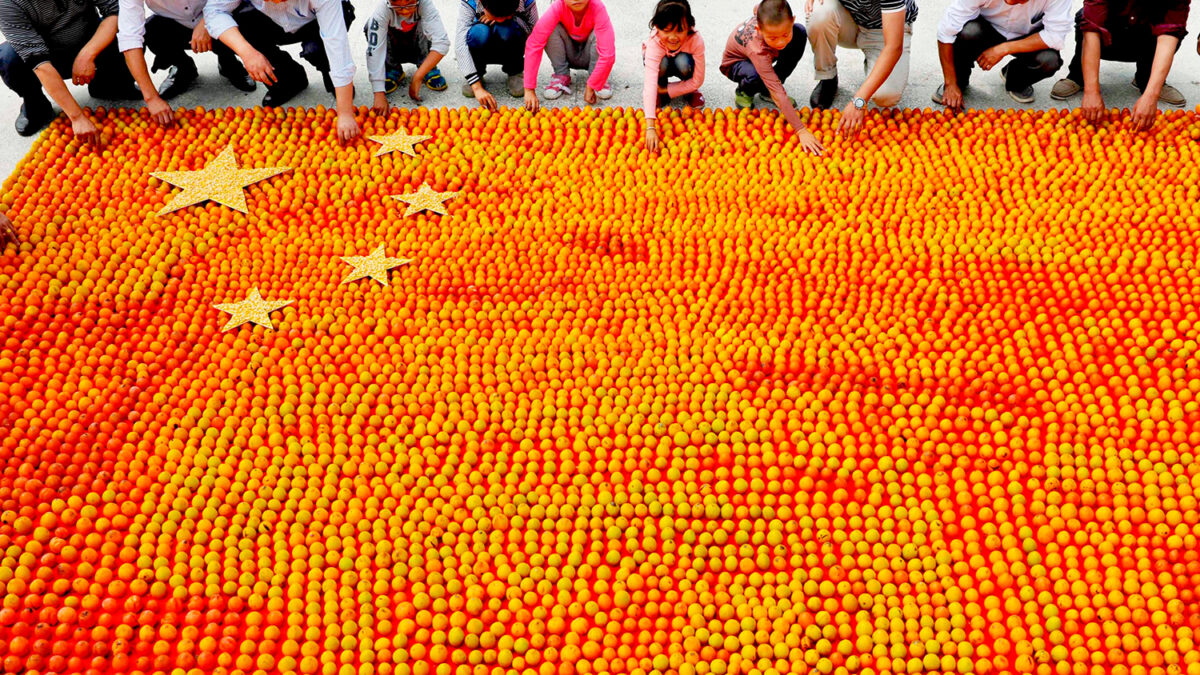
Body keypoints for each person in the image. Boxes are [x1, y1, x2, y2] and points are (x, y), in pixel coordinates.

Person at [204, 0, 359, 142]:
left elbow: (337, 46)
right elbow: (215, 11)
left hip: (315, 21)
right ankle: (289, 79)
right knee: (229, 31)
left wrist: (345, 113)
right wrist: (247, 53)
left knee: (316, 49)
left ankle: (329, 73)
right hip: (272, 21)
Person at [0, 0, 140, 139]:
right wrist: (77, 117)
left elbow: (115, 11)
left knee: (131, 28)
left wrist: (87, 54)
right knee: (8, 58)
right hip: (48, 58)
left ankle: (109, 85)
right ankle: (36, 105)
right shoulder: (8, 3)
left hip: (92, 42)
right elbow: (38, 62)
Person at [1050, 0, 1190, 130]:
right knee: (1085, 18)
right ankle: (1078, 75)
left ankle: (1147, 79)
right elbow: (1092, 29)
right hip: (1110, 34)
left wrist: (1151, 95)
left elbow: (1168, 37)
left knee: (1174, 30)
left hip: (1146, 35)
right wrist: (1091, 91)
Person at [119, 0, 256, 128]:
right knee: (153, 30)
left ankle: (228, 62)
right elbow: (129, 37)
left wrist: (208, 21)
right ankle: (184, 68)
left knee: (246, 19)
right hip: (176, 23)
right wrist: (151, 98)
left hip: (220, 12)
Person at [720, 0, 822, 155]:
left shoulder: (770, 22)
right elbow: (778, 91)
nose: (781, 42)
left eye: (785, 34)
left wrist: (779, 38)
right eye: (773, 38)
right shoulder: (758, 51)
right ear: (758, 29)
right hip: (737, 64)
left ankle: (766, 87)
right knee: (756, 75)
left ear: (792, 20)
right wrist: (801, 130)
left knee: (800, 32)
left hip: (764, 53)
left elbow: (759, 8)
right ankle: (744, 91)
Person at [805, 0, 918, 137]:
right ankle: (828, 77)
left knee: (886, 96)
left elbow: (893, 47)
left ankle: (875, 64)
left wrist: (859, 101)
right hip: (851, 20)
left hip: (885, 30)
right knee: (818, 15)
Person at [934, 0, 1071, 110]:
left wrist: (1003, 49)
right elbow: (946, 31)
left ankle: (1015, 78)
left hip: (1028, 36)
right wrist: (950, 83)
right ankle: (958, 81)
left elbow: (1055, 35)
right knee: (968, 32)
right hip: (986, 27)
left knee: (1048, 61)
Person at [522, 0, 615, 110]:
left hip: (590, 54)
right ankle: (561, 75)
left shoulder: (597, 7)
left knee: (600, 35)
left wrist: (593, 84)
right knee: (548, 29)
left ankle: (599, 77)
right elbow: (534, 43)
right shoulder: (557, 7)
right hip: (567, 52)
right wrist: (528, 89)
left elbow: (607, 53)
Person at [365, 0, 449, 115]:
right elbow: (374, 50)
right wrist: (378, 92)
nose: (405, 11)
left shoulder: (425, 4)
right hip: (395, 48)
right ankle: (392, 68)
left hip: (419, 46)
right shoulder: (383, 9)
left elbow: (442, 43)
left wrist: (418, 76)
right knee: (370, 25)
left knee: (429, 25)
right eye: (398, 7)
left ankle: (427, 67)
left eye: (410, 4)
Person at [642, 0, 704, 151]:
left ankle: (682, 92)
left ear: (689, 27)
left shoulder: (695, 40)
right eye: (667, 30)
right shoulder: (654, 43)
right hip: (661, 64)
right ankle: (661, 85)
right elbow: (649, 83)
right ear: (657, 27)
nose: (673, 37)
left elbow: (698, 80)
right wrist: (650, 127)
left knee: (684, 63)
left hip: (682, 63)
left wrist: (668, 91)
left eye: (679, 30)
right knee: (661, 65)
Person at [455, 0, 537, 110]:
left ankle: (514, 70)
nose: (500, 19)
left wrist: (512, 19)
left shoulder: (526, 1)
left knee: (506, 29)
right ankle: (477, 73)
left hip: (510, 40)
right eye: (495, 15)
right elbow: (460, 43)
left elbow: (536, 33)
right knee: (479, 32)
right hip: (481, 43)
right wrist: (476, 86)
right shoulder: (470, 2)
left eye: (506, 15)